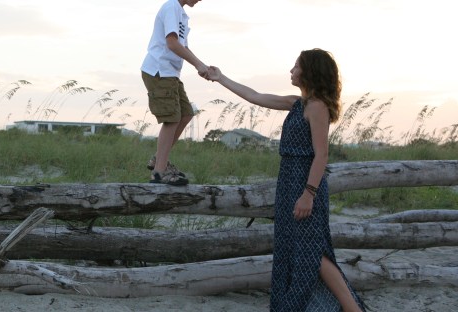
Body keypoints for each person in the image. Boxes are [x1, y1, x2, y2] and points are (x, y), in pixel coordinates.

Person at [207, 49, 365, 312]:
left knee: (314, 251)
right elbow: (254, 96)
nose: (291, 71)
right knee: (298, 249)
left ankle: (352, 309)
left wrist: (308, 194)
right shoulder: (298, 103)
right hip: (289, 183)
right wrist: (220, 77)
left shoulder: (317, 107)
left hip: (305, 183)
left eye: (296, 66)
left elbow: (321, 155)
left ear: (310, 71)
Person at [141, 0, 213, 186]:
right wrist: (198, 65)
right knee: (172, 118)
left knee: (186, 113)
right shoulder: (171, 7)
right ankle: (159, 173)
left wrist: (201, 65)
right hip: (159, 70)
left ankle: (159, 160)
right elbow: (172, 43)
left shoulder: (181, 14)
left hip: (170, 72)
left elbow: (183, 46)